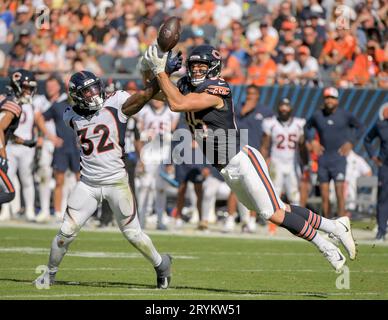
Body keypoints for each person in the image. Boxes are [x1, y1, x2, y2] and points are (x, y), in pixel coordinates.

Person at [144, 43, 357, 271]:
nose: (196, 71)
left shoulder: (219, 88)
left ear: (213, 68)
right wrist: (157, 71)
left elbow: (178, 104)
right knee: (280, 208)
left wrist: (160, 72)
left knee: (271, 213)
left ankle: (326, 246)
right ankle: (335, 227)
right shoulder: (186, 85)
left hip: (243, 160)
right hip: (226, 168)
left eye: (201, 66)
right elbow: (155, 93)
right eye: (193, 66)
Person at [33, 60, 181, 288]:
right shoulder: (70, 115)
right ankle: (49, 274)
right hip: (88, 184)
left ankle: (161, 265)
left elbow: (143, 97)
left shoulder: (116, 102)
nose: (94, 94)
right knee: (64, 234)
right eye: (87, 91)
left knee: (133, 234)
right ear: (77, 96)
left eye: (95, 88)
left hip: (116, 182)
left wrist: (165, 72)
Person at [304, 87, 364, 219]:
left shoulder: (344, 115)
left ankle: (343, 226)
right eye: (327, 98)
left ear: (337, 100)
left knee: (339, 192)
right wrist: (312, 141)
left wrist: (350, 142)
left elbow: (360, 127)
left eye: (332, 98)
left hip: (338, 159)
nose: (329, 100)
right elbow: (306, 127)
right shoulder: (318, 115)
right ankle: (328, 225)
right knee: (324, 195)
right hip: (323, 159)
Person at [0, 69, 37, 207]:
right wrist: (3, 156)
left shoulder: (5, 98)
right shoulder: (13, 105)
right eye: (27, 87)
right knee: (9, 192)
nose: (29, 91)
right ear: (17, 85)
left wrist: (24, 142)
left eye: (30, 88)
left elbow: (5, 131)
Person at [261, 98, 308, 205]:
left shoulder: (299, 123)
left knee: (294, 194)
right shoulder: (270, 123)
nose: (284, 110)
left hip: (293, 163)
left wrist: (305, 164)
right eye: (282, 107)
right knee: (274, 192)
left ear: (291, 109)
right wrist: (262, 163)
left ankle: (296, 220)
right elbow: (265, 146)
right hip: (276, 162)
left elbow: (302, 147)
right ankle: (271, 221)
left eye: (286, 107)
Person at [364, 104, 388, 241]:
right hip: (385, 167)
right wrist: (373, 156)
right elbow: (367, 139)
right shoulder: (380, 125)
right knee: (383, 199)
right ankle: (381, 230)